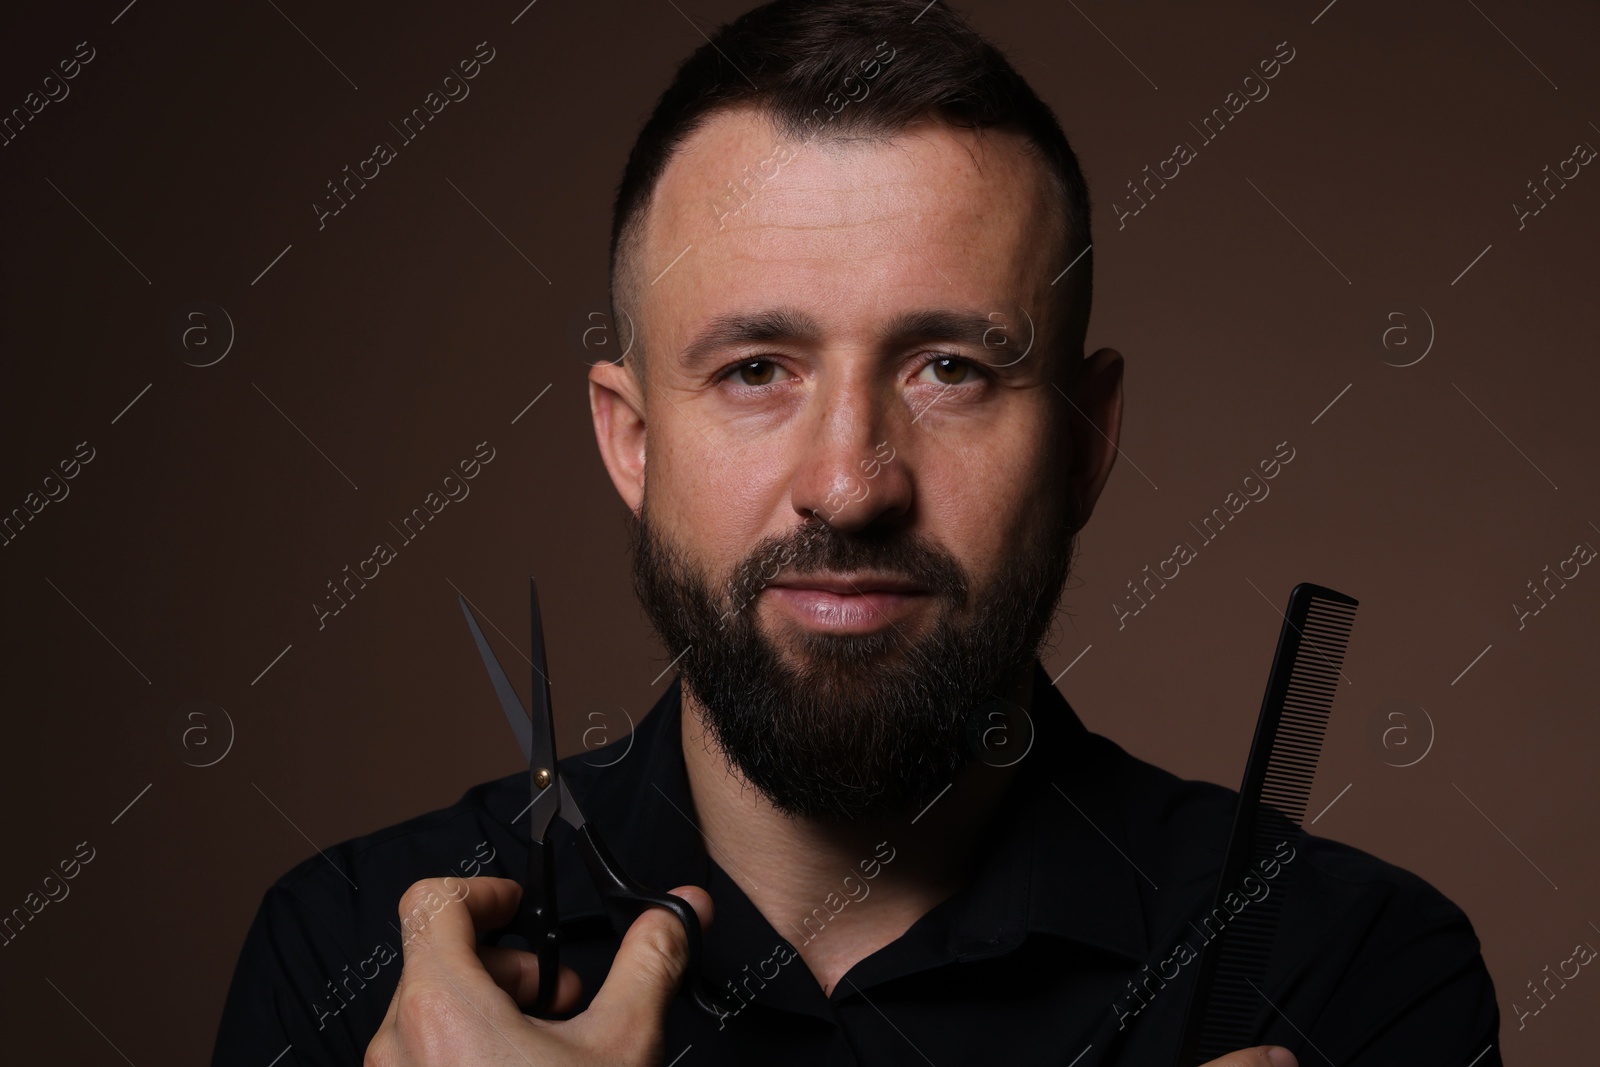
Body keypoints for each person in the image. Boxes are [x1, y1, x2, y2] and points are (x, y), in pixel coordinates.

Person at [212, 2, 1502, 1064]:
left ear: (1087, 439)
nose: (849, 484)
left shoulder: (1347, 973)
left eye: (950, 368)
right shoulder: (363, 974)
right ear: (631, 439)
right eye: (758, 369)